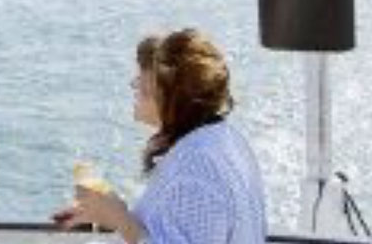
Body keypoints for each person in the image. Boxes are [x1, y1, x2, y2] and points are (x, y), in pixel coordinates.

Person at [55, 29, 267, 244]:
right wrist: (106, 214)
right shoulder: (225, 139)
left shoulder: (196, 164)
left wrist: (120, 218)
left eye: (144, 82)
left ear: (172, 96)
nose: (135, 85)